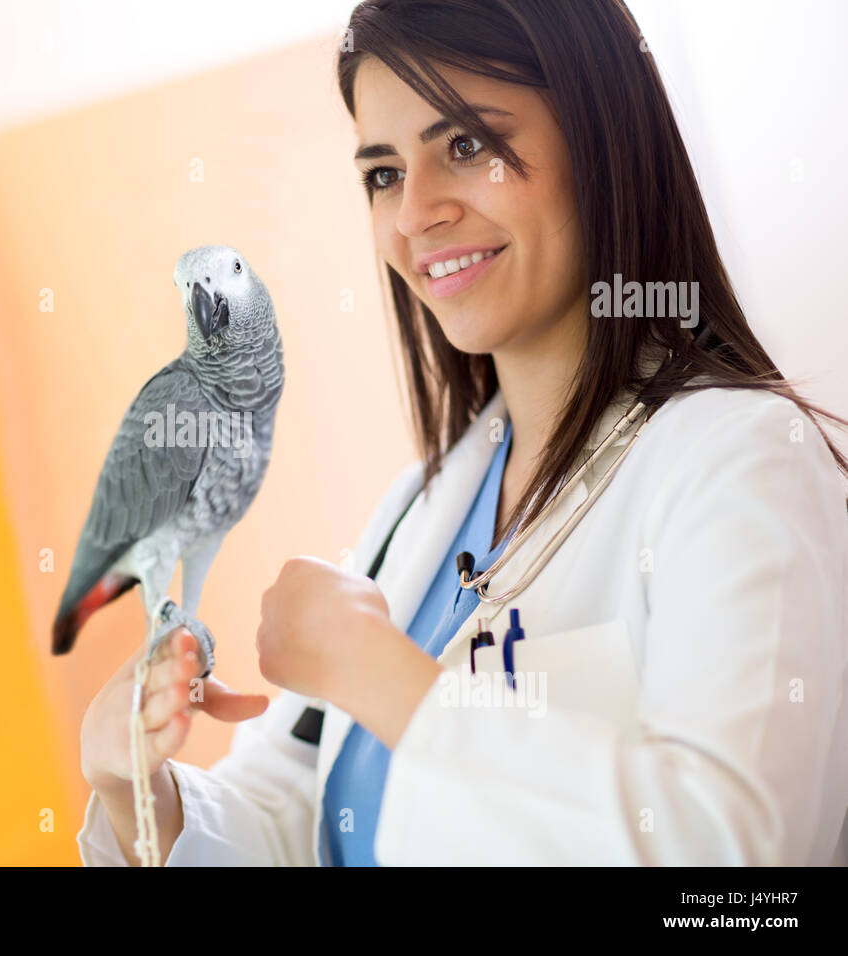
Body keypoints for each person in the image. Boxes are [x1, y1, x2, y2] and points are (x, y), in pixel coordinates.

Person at [76, 0, 848, 865]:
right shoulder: (420, 509)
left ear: (602, 140)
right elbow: (310, 818)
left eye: (467, 145)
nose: (414, 214)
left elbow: (738, 865)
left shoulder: (740, 465)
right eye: (382, 173)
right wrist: (144, 794)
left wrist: (381, 674)